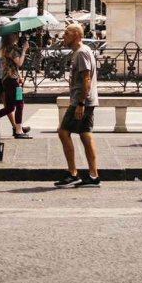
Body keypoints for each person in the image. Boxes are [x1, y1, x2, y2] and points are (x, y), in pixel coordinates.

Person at [54, 23, 100, 187]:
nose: (63, 36)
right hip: (85, 100)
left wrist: (80, 103)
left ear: (76, 35)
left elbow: (86, 79)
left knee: (63, 132)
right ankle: (93, 175)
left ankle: (73, 173)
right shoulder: (80, 52)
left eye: (66, 33)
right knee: (85, 135)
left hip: (81, 101)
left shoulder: (81, 53)